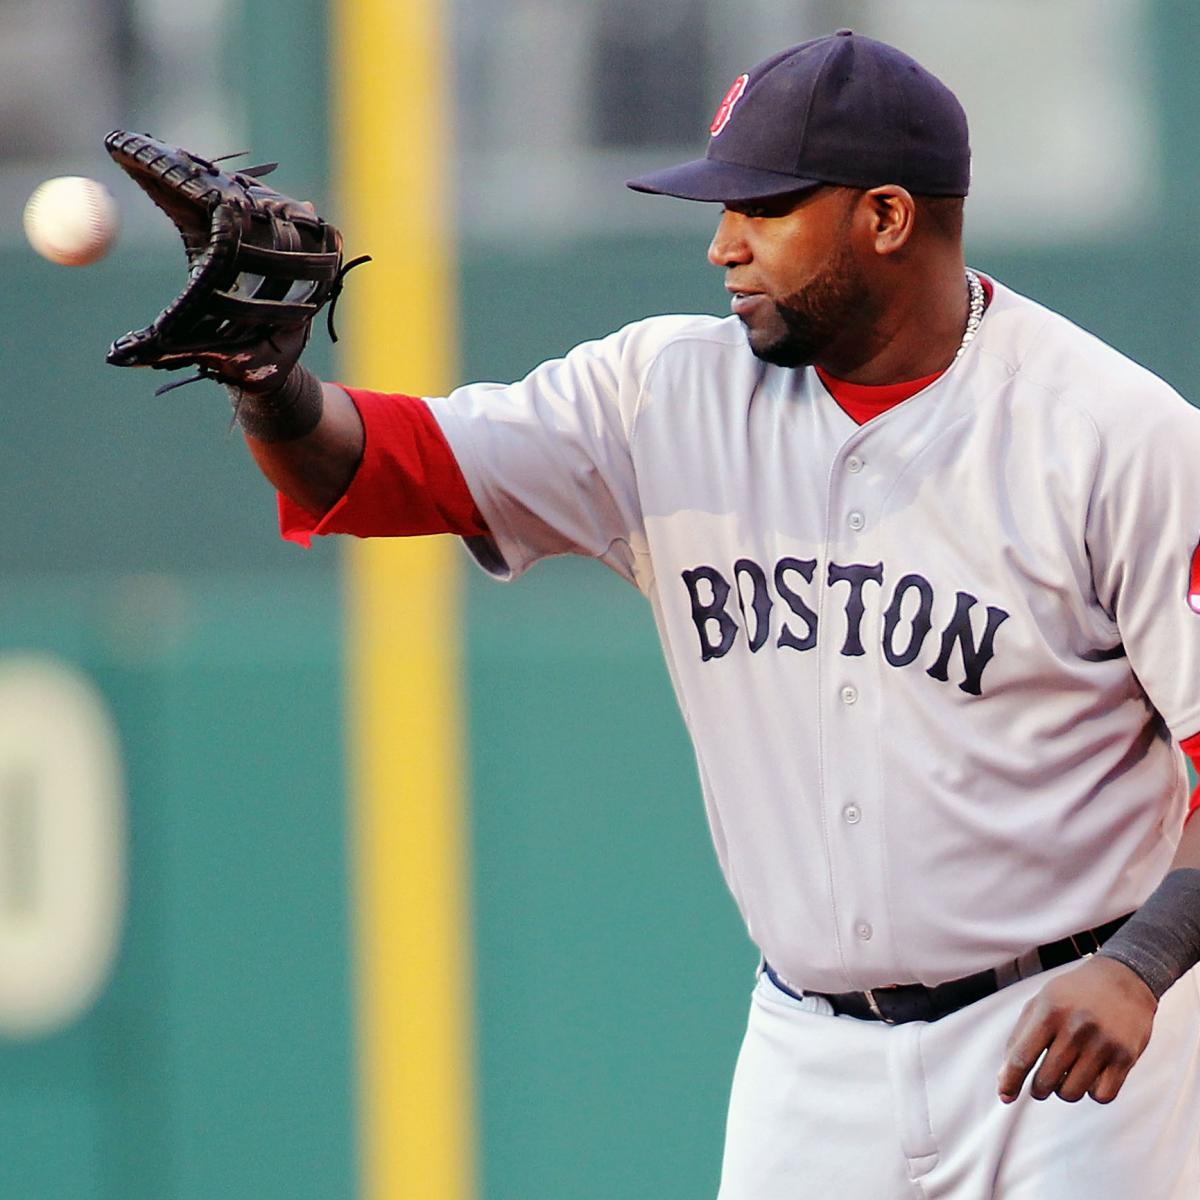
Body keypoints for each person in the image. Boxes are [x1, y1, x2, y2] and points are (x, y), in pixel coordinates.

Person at [232, 31, 1200, 1199]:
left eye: (762, 209)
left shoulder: (1114, 436)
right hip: (809, 1056)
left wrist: (1145, 966)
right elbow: (387, 468)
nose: (721, 245)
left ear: (886, 218)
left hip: (1072, 1046)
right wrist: (269, 387)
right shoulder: (662, 392)